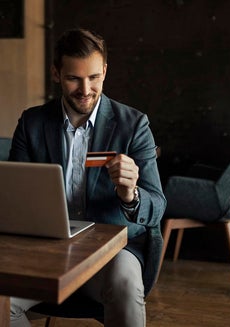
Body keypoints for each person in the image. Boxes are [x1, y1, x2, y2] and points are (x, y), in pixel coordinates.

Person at [9, 28, 166, 327]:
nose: (85, 89)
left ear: (105, 71)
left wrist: (130, 194)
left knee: (125, 286)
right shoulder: (31, 123)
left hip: (112, 254)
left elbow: (157, 206)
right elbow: (15, 202)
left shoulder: (134, 125)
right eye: (73, 78)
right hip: (45, 251)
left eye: (94, 77)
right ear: (56, 73)